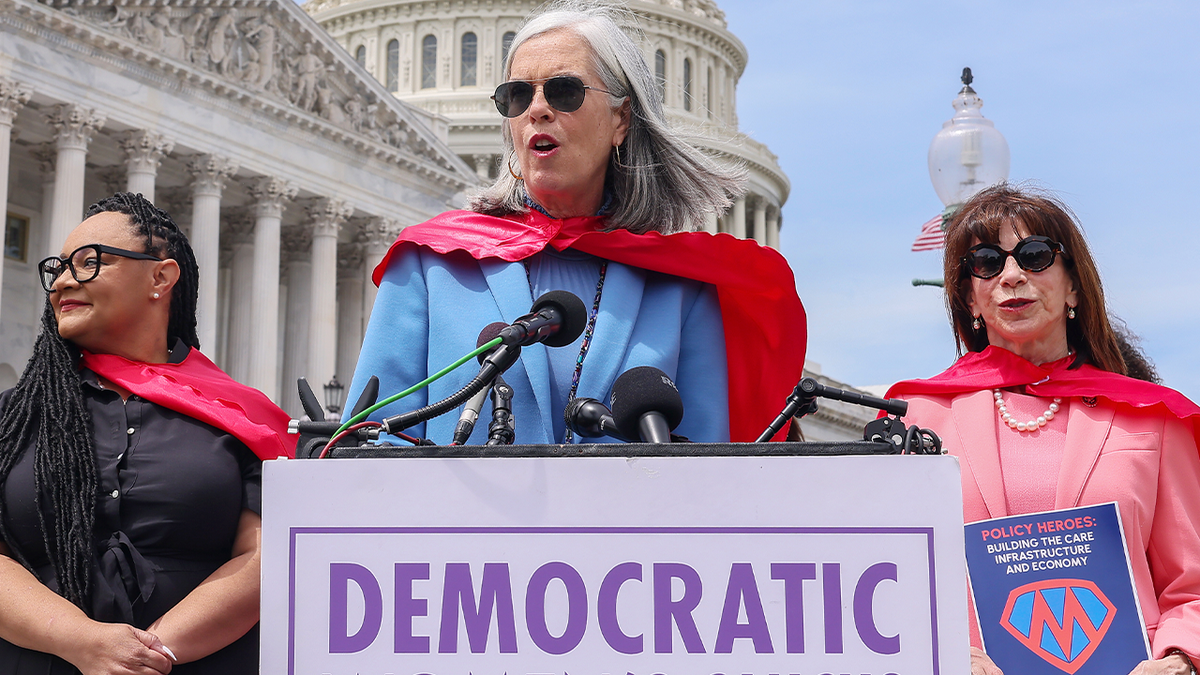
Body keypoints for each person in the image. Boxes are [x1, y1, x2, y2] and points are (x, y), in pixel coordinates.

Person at [346, 1, 806, 445]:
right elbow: (369, 443)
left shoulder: (682, 288)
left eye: (564, 91)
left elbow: (704, 468)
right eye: (518, 95)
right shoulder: (431, 265)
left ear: (621, 119)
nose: (537, 110)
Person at [887, 184, 1200, 675]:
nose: (1012, 275)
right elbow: (885, 579)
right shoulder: (914, 421)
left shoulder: (1155, 419)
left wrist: (1178, 659)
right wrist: (938, 653)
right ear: (969, 297)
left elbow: (1192, 587)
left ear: (1074, 285)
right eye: (987, 262)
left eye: (1034, 256)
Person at [0, 193, 292, 673]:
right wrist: (83, 642)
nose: (65, 282)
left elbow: (268, 555)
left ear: (161, 277)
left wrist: (147, 655)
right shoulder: (15, 417)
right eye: (59, 269)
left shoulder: (240, 416)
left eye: (91, 263)